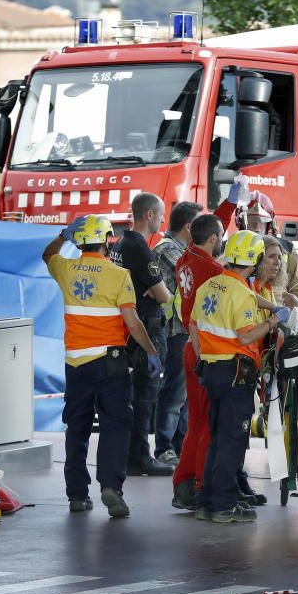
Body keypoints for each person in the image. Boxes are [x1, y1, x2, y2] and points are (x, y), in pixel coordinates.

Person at [43, 215, 162, 517]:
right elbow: (133, 324)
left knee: (77, 428)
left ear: (79, 241)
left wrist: (61, 236)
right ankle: (111, 487)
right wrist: (151, 351)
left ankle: (77, 495)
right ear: (108, 240)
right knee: (115, 426)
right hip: (110, 364)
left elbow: (48, 255)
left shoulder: (66, 269)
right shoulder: (119, 275)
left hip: (76, 364)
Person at [190, 231, 289, 523]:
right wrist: (273, 320)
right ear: (256, 260)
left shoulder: (211, 285)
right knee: (232, 440)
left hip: (211, 370)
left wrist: (203, 357)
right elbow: (246, 337)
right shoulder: (242, 294)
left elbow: (194, 326)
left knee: (217, 437)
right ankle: (224, 505)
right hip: (236, 374)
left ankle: (206, 501)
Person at [109, 193, 174, 476]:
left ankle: (132, 454)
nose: (163, 219)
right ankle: (140, 457)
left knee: (132, 395)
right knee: (145, 394)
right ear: (148, 215)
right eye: (160, 214)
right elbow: (163, 294)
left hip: (126, 328)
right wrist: (163, 292)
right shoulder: (140, 249)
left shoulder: (121, 243)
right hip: (145, 327)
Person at [170, 214, 226, 510]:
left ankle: (183, 482)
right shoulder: (215, 271)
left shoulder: (185, 259)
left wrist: (227, 209)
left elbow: (206, 229)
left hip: (190, 346)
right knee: (209, 423)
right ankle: (202, 486)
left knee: (195, 421)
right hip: (209, 350)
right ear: (214, 239)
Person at [150, 201, 202, 467]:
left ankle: (180, 445)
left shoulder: (182, 250)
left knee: (185, 394)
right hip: (175, 331)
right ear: (189, 227)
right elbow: (194, 273)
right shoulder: (168, 250)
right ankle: (164, 447)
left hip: (186, 329)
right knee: (174, 392)